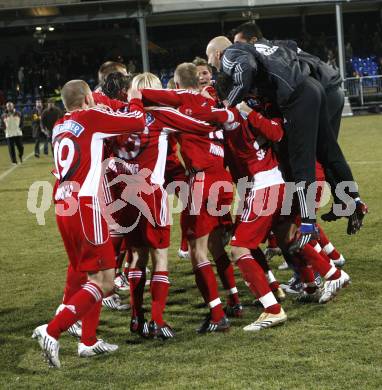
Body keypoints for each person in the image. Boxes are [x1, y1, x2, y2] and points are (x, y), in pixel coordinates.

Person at [206, 34, 367, 248]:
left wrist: (228, 104)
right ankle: (355, 201)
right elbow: (293, 49)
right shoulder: (265, 45)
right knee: (328, 151)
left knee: (301, 160)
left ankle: (308, 224)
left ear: (217, 54)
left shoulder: (232, 53)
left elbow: (246, 69)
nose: (213, 66)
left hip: (298, 97)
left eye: (210, 60)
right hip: (313, 86)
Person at [31, 80, 146, 368]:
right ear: (86, 98)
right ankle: (53, 329)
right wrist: (134, 99)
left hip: (63, 203)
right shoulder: (91, 116)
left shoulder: (59, 125)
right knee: (105, 282)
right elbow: (137, 121)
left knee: (88, 275)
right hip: (85, 205)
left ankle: (89, 341)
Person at [141, 63, 243, 331]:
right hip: (223, 178)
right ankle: (234, 299)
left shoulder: (181, 101)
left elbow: (147, 98)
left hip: (201, 181)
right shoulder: (212, 100)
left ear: (176, 85)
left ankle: (217, 315)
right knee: (217, 245)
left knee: (198, 252)